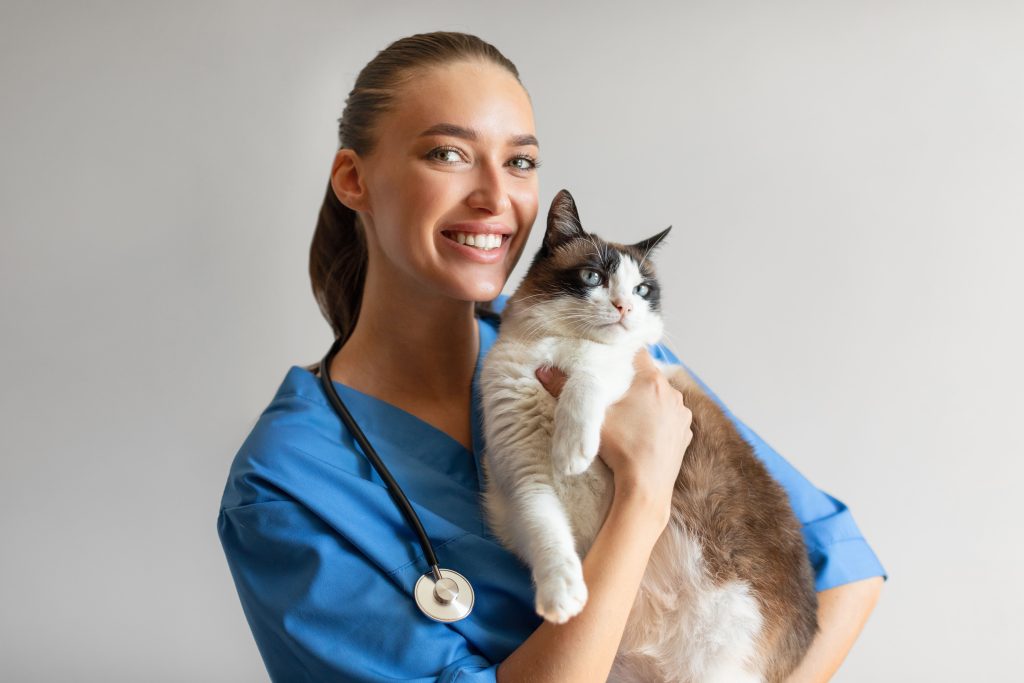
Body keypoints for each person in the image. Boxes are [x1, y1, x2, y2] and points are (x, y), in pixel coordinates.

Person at [216, 31, 887, 683]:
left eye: (520, 162)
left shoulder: (603, 344)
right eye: (448, 154)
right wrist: (643, 498)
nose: (495, 197)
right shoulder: (286, 485)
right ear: (353, 178)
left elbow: (842, 570)